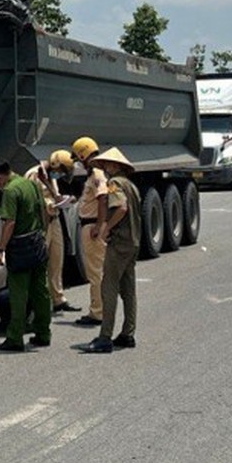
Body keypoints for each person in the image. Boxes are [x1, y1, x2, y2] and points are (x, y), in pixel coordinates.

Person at [0, 158, 53, 352]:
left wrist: (0, 249)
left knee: (18, 294)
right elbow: (45, 212)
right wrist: (43, 235)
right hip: (37, 242)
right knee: (41, 291)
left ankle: (15, 338)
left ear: (0, 177)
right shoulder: (31, 184)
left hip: (20, 247)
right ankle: (43, 333)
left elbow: (10, 223)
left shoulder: (10, 191)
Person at [80, 148, 141, 353]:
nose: (104, 169)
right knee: (129, 290)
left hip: (120, 242)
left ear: (115, 166)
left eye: (107, 165)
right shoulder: (131, 185)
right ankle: (128, 333)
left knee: (109, 288)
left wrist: (106, 227)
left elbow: (121, 208)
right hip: (133, 242)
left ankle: (105, 336)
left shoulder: (114, 184)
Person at [24, 150, 80, 314]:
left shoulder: (50, 177)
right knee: (40, 263)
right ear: (56, 165)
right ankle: (39, 301)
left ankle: (58, 299)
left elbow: (53, 196)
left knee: (56, 260)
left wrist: (63, 200)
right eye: (61, 171)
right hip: (41, 222)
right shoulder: (34, 175)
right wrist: (49, 204)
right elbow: (30, 200)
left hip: (54, 220)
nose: (60, 175)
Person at [71, 136, 108, 327]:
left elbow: (103, 199)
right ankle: (98, 309)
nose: (79, 163)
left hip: (92, 226)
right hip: (90, 225)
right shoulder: (94, 174)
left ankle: (98, 313)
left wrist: (98, 225)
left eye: (79, 159)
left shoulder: (97, 174)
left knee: (95, 272)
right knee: (95, 271)